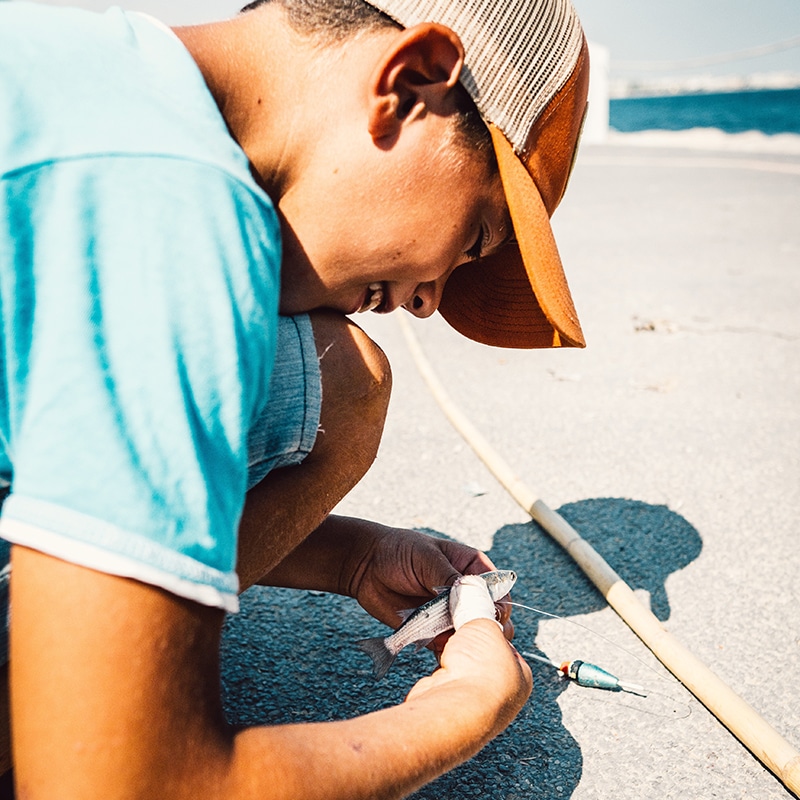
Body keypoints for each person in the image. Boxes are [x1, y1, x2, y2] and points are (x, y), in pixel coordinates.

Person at [0, 0, 589, 795]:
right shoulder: (170, 203)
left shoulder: (101, 70)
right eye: (474, 237)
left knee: (342, 378)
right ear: (411, 83)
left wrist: (352, 559)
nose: (429, 301)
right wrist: (462, 704)